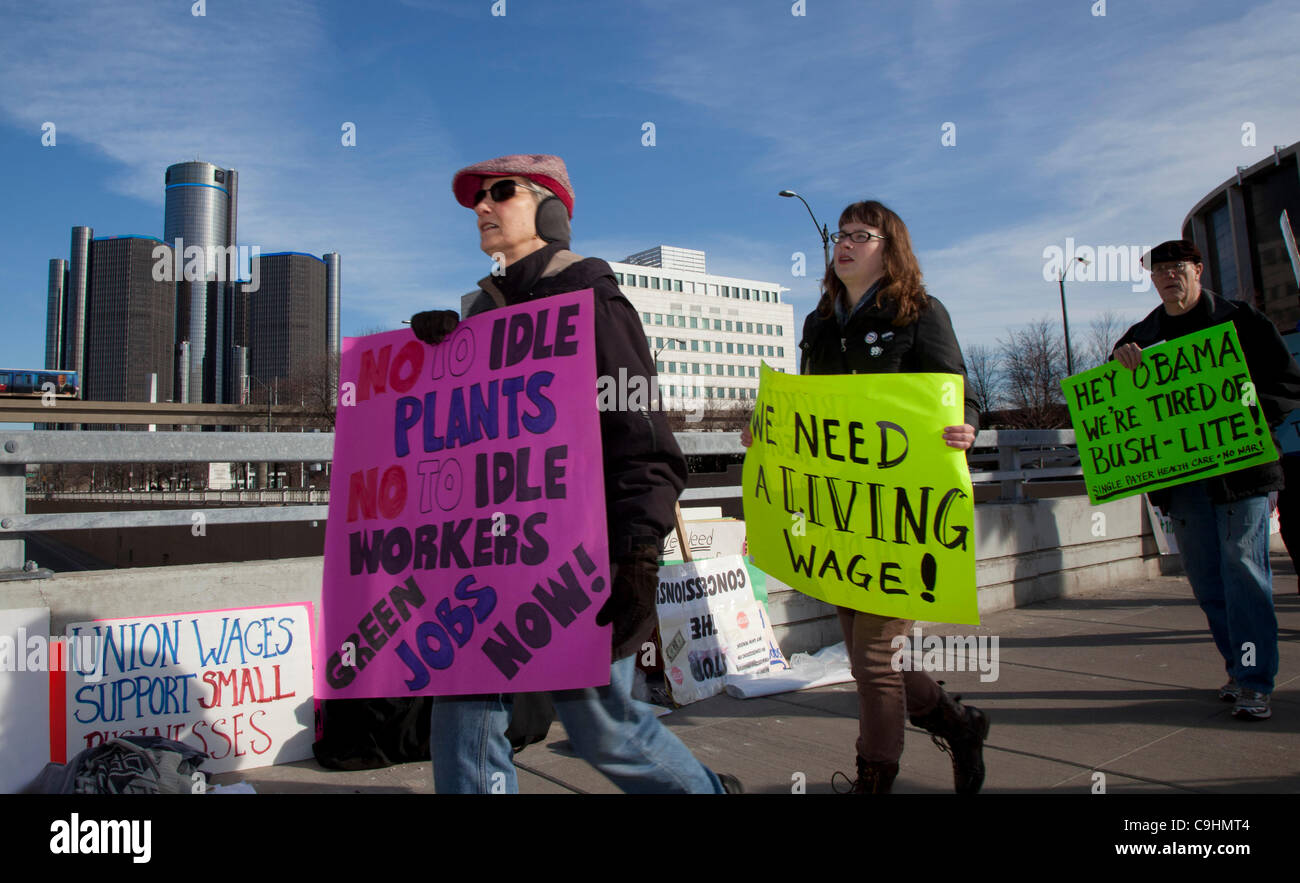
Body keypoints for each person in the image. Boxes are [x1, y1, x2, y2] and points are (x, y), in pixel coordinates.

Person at [409, 153, 737, 793]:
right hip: (488, 553)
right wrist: (436, 356)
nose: (483, 206)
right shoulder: (482, 311)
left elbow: (641, 434)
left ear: (551, 210)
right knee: (465, 709)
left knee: (598, 720)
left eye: (500, 192)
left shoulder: (594, 300)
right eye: (479, 197)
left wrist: (640, 549)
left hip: (578, 554)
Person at [743, 200, 988, 794]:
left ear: (890, 247)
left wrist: (969, 423)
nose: (846, 244)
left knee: (875, 663)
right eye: (841, 235)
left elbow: (955, 390)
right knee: (872, 657)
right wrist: (765, 424)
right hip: (839, 513)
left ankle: (873, 781)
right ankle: (957, 724)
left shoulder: (920, 312)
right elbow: (811, 408)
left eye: (862, 235)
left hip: (899, 514)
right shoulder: (819, 322)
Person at [1113, 239, 1300, 721]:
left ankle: (1256, 682)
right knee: (1208, 583)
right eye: (1159, 273)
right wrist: (1119, 364)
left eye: (1177, 268)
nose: (1168, 278)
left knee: (1245, 571)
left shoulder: (1241, 321)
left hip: (1243, 474)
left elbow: (1288, 385)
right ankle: (1239, 669)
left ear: (1198, 270)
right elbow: (1122, 406)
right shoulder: (1140, 337)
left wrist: (1244, 412)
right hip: (1184, 482)